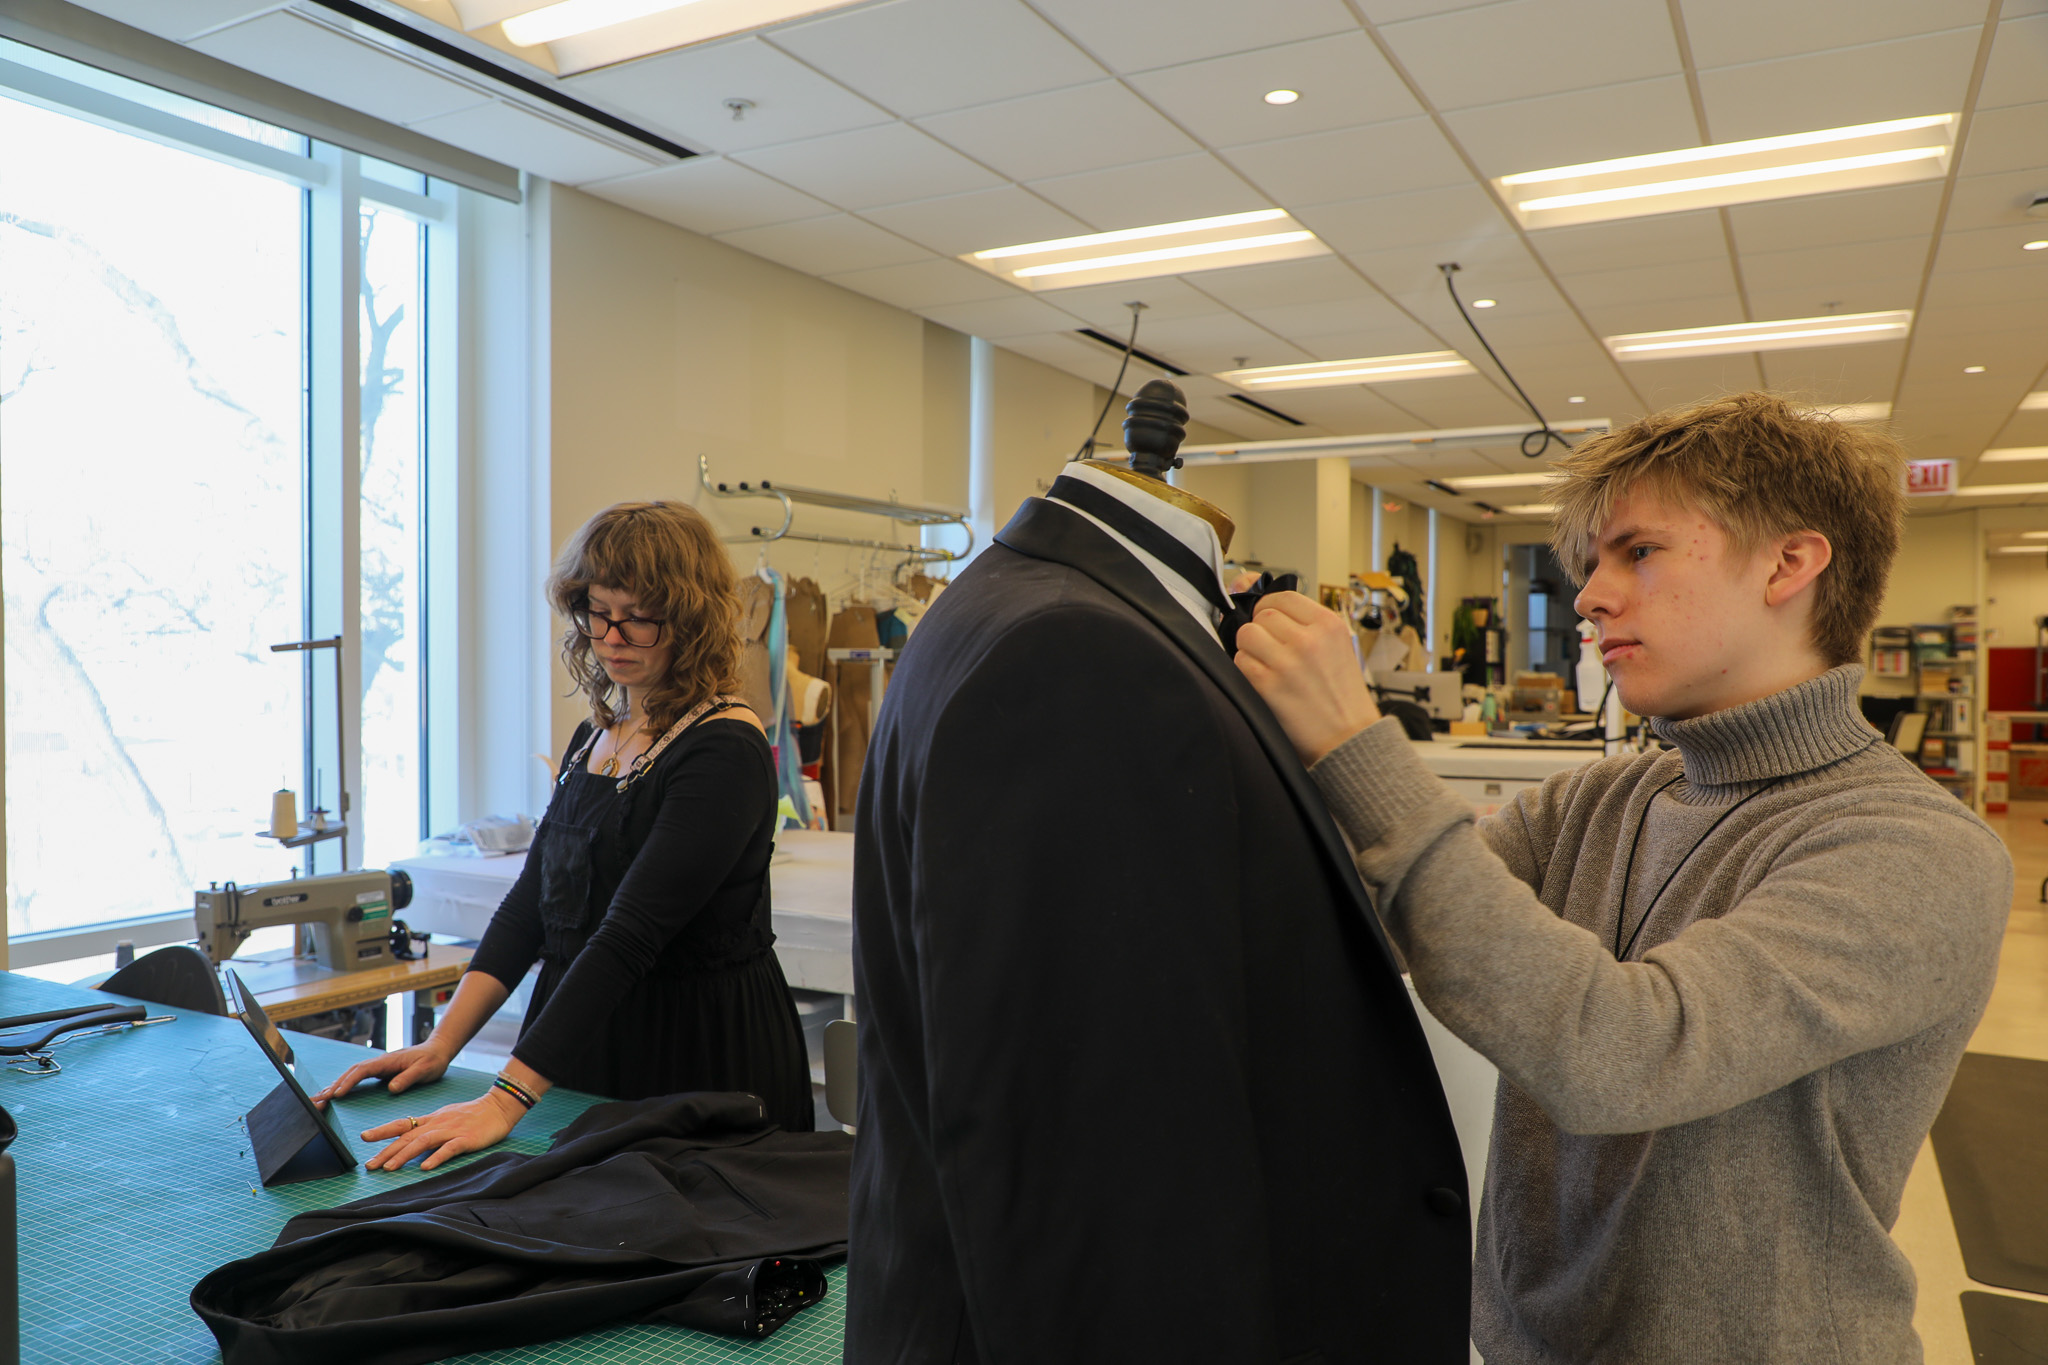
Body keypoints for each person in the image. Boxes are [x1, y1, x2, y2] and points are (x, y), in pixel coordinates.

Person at [1234, 392, 2012, 1363]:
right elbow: (1368, 919)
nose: (1590, 596)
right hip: (1524, 1343)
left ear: (1787, 562)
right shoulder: (1600, 800)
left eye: (1635, 552)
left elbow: (1617, 1052)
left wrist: (1354, 746)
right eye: (1590, 564)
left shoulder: (1917, 852)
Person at [313, 500, 814, 1170]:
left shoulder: (723, 749)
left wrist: (504, 1098)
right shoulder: (595, 736)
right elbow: (531, 907)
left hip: (695, 1055)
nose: (611, 637)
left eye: (637, 616)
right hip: (589, 1046)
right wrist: (443, 1045)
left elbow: (630, 932)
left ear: (690, 619)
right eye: (597, 612)